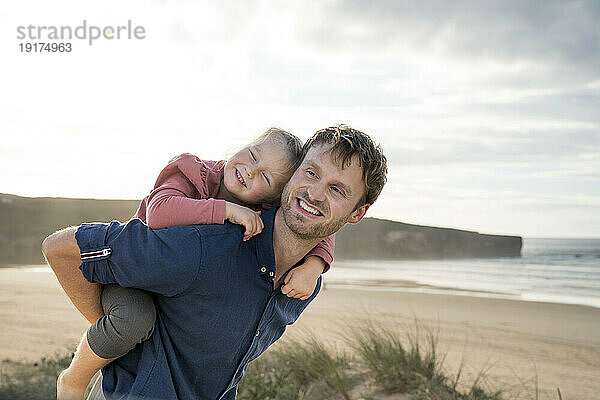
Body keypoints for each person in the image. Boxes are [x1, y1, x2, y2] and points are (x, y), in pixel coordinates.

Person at [43, 125, 387, 400]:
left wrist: (316, 265)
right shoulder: (204, 244)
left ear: (358, 213)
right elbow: (61, 249)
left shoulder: (304, 283)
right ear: (294, 177)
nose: (314, 193)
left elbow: (316, 230)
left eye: (337, 190)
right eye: (310, 173)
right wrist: (116, 330)